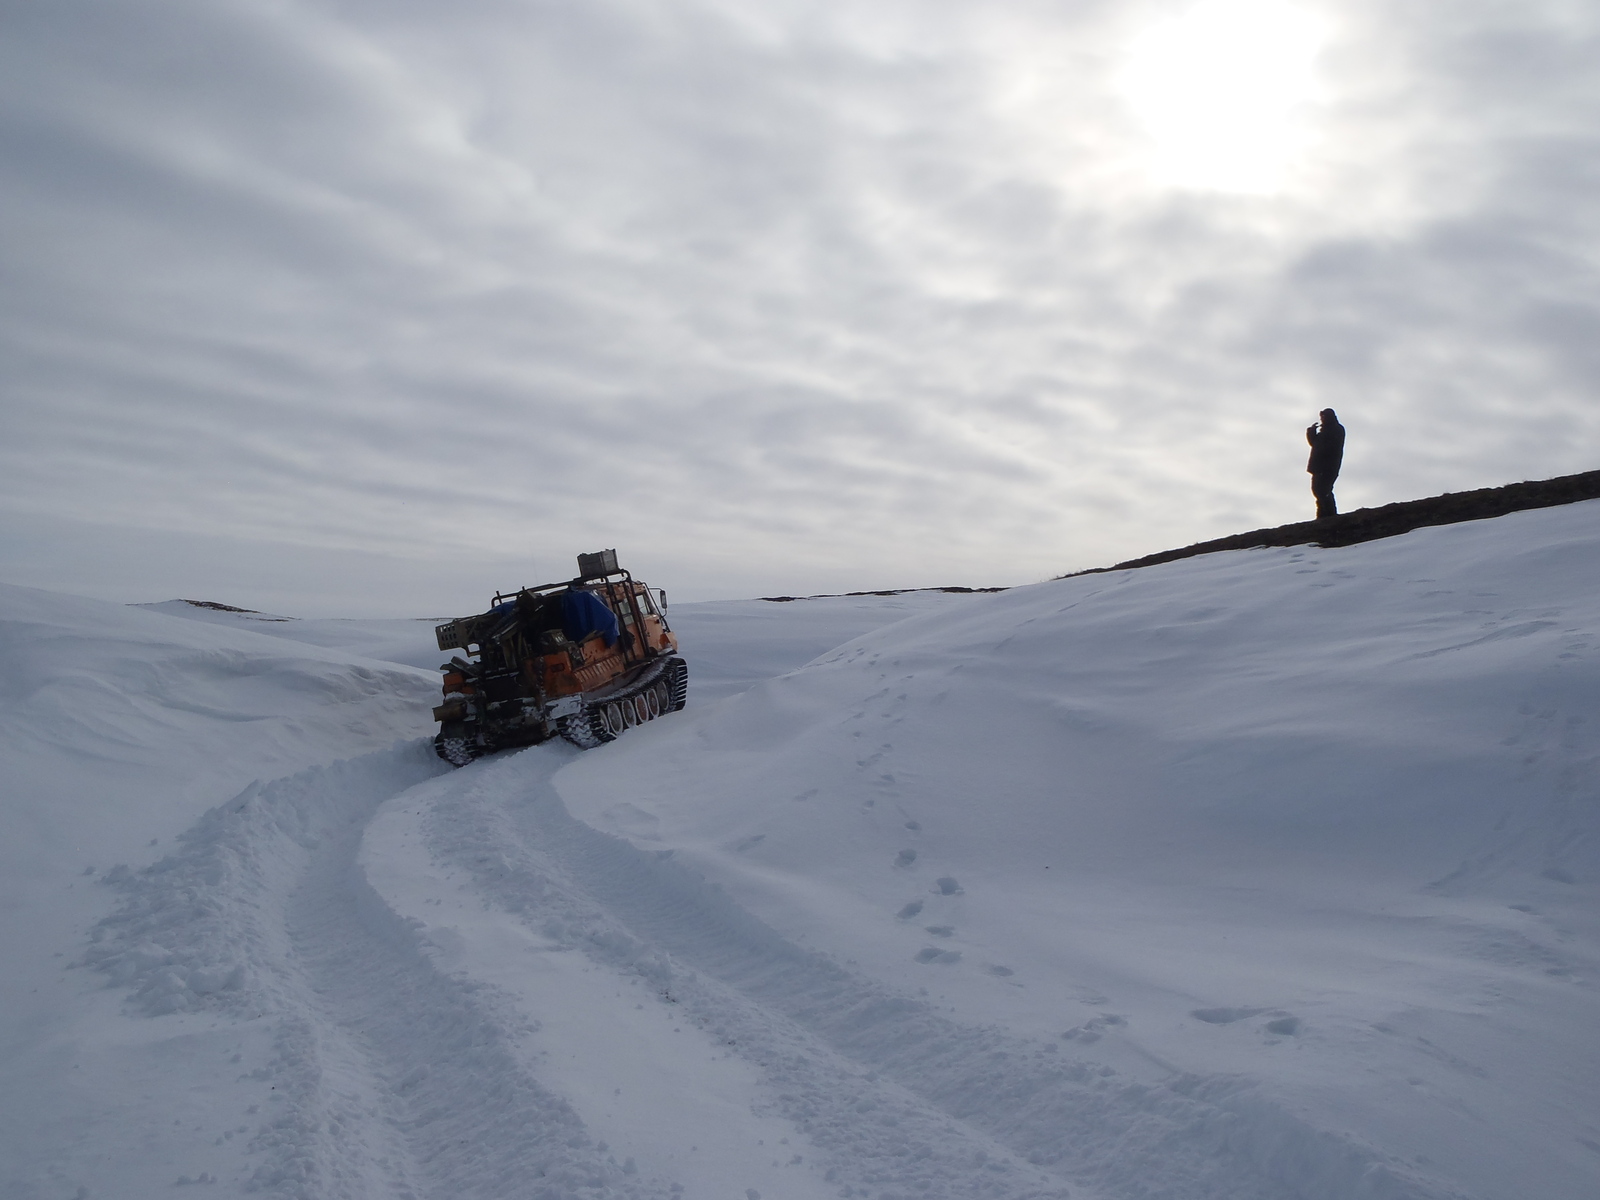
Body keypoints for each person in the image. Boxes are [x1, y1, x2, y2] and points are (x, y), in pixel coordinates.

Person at [1305, 408, 1345, 519]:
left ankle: (1329, 514)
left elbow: (1325, 447)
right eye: (1321, 417)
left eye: (1324, 417)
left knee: (1323, 490)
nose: (1322, 419)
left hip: (1328, 467)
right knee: (1318, 490)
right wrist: (1311, 432)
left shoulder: (1336, 429)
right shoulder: (1326, 430)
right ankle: (1323, 514)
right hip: (1319, 466)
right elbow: (1315, 444)